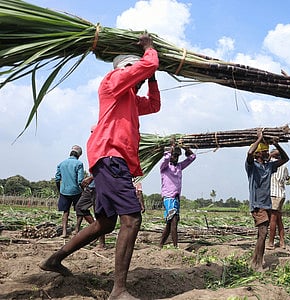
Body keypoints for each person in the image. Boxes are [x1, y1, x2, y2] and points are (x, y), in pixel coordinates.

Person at [40, 33, 160, 300]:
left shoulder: (128, 98)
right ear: (124, 70)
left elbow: (154, 105)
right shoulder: (111, 82)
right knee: (132, 219)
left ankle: (54, 259)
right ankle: (118, 290)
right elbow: (147, 64)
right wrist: (150, 50)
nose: (138, 80)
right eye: (135, 74)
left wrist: (151, 80)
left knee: (105, 223)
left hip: (112, 161)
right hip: (110, 157)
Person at [245, 129, 289, 271]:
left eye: (267, 152)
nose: (267, 154)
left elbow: (286, 158)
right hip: (257, 205)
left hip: (267, 204)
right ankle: (257, 264)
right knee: (263, 233)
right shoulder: (252, 167)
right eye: (264, 152)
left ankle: (256, 260)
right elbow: (249, 153)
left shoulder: (269, 167)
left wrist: (277, 145)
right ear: (258, 153)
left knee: (261, 235)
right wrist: (259, 138)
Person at [159, 143, 196, 248]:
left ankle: (160, 244)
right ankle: (176, 247)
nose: (175, 158)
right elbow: (166, 158)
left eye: (177, 156)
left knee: (170, 223)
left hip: (176, 198)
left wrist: (186, 149)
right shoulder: (164, 167)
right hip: (168, 198)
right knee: (174, 221)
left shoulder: (179, 166)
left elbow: (192, 158)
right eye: (174, 156)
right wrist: (169, 151)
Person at [55, 145, 85, 238]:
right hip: (76, 191)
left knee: (65, 212)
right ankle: (76, 230)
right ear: (79, 155)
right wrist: (83, 191)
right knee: (79, 211)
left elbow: (57, 179)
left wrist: (59, 189)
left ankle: (64, 232)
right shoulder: (79, 164)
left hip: (64, 191)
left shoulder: (61, 164)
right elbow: (80, 181)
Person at [75, 175, 106, 249]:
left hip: (100, 187)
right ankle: (96, 231)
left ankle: (102, 243)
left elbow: (105, 167)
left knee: (99, 213)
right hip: (91, 187)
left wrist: (91, 177)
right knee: (80, 207)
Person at [267, 149, 289, 250]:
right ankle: (282, 242)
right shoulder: (284, 167)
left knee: (273, 219)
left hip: (274, 194)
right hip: (281, 194)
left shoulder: (270, 163)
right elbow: (287, 178)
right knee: (278, 219)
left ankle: (271, 242)